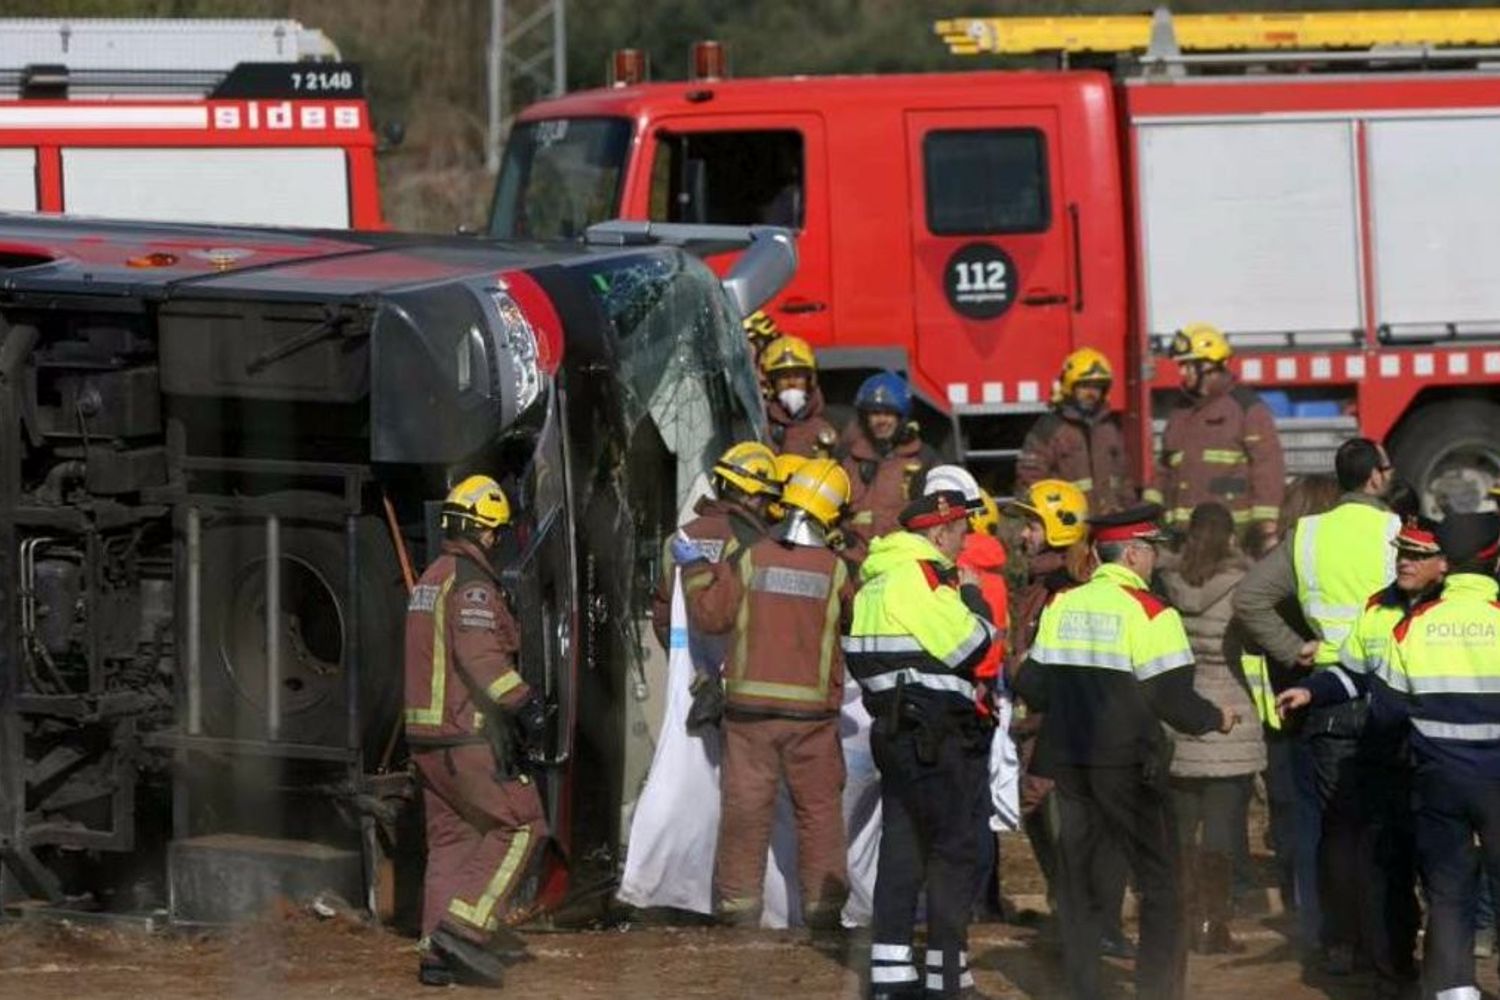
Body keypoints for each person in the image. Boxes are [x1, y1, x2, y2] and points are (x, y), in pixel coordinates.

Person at [1015, 504, 1235, 1000]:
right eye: (1152, 549)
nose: (1156, 559)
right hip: (1129, 767)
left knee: (1079, 883)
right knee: (1160, 884)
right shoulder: (1152, 613)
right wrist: (1216, 718)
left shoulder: (1063, 605)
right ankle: (1157, 990)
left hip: (1069, 766)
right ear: (1133, 553)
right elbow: (1174, 701)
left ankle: (1083, 988)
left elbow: (1037, 687)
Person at [1234, 437, 1400, 976]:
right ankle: (1391, 948)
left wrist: (1293, 648)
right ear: (1375, 477)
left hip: (1324, 686)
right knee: (1392, 826)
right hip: (1387, 685)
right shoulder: (1397, 532)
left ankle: (1337, 942)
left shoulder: (1308, 535)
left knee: (1335, 828)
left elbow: (1249, 598)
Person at [680, 458, 855, 928]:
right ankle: (823, 913)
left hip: (749, 715)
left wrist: (695, 569)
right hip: (811, 720)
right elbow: (855, 627)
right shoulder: (837, 570)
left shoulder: (752, 556)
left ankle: (738, 912)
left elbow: (710, 617)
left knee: (744, 812)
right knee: (818, 814)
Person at [1275, 518, 1444, 995]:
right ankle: (1395, 969)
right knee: (1386, 865)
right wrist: (1311, 692)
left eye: (1416, 555)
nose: (1404, 562)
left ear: (1441, 563)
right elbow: (1352, 673)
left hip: (1440, 762)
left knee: (1439, 872)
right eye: (1400, 553)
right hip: (1387, 756)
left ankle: (1447, 970)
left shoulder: (1455, 610)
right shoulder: (1377, 606)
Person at [844, 489, 997, 998]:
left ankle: (890, 976)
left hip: (893, 730)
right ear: (937, 533)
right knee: (954, 851)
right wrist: (973, 597)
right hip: (935, 733)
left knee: (903, 849)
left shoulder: (875, 579)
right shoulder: (924, 577)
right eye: (960, 531)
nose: (965, 540)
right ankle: (947, 977)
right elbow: (973, 645)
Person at [404, 475, 548, 987]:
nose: (496, 541)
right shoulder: (472, 585)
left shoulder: (431, 577)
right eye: (495, 532)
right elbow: (480, 655)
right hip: (466, 735)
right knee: (523, 825)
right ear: (483, 531)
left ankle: (434, 954)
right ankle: (464, 930)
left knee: (452, 841)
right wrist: (525, 703)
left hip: (427, 741)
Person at [1365, 512, 1500, 1000]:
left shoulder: (1412, 627)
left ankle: (1454, 992)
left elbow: (1384, 712)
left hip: (1437, 779)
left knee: (1447, 890)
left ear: (1448, 564)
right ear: (1493, 557)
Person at [1002, 481, 1130, 957]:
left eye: (1032, 525)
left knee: (1068, 831)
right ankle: (1083, 917)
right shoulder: (1041, 585)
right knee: (1045, 824)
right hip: (1041, 729)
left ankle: (1096, 924)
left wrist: (1015, 670)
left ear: (1057, 529)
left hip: (1059, 733)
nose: (1022, 535)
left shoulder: (1064, 590)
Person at [1158, 503, 1265, 955]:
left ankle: (1179, 923)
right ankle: (1213, 926)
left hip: (1181, 709)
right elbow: (1258, 641)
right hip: (1231, 714)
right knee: (1222, 831)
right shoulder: (1244, 587)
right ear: (1230, 539)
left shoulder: (1166, 583)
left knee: (1181, 830)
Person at [1150, 322, 1285, 544]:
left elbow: (1268, 467)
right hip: (1182, 538)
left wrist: (1265, 526)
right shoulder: (1181, 411)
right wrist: (1152, 512)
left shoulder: (1246, 408)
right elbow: (1164, 468)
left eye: (1187, 365)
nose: (1182, 372)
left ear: (1208, 365)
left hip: (1232, 538)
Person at [650, 442, 777, 651]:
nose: (769, 507)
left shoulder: (678, 538)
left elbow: (663, 616)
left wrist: (686, 661)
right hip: (736, 674)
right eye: (768, 498)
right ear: (753, 496)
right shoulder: (754, 543)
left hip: (687, 677)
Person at [1016, 347, 1136, 515]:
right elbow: (1030, 480)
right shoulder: (1049, 427)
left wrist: (1129, 513)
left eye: (1097, 387)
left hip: (1109, 522)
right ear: (1069, 387)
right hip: (1068, 525)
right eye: (1085, 386)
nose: (1091, 393)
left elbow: (1124, 479)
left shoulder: (1109, 428)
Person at [838, 371, 938, 554]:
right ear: (864, 417)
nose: (881, 420)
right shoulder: (846, 458)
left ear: (902, 418)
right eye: (875, 413)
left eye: (889, 413)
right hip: (853, 561)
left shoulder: (924, 459)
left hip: (901, 560)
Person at [761, 335, 839, 459]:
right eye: (784, 376)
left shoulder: (830, 426)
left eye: (798, 375)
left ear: (810, 381)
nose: (792, 382)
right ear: (771, 383)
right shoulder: (760, 425)